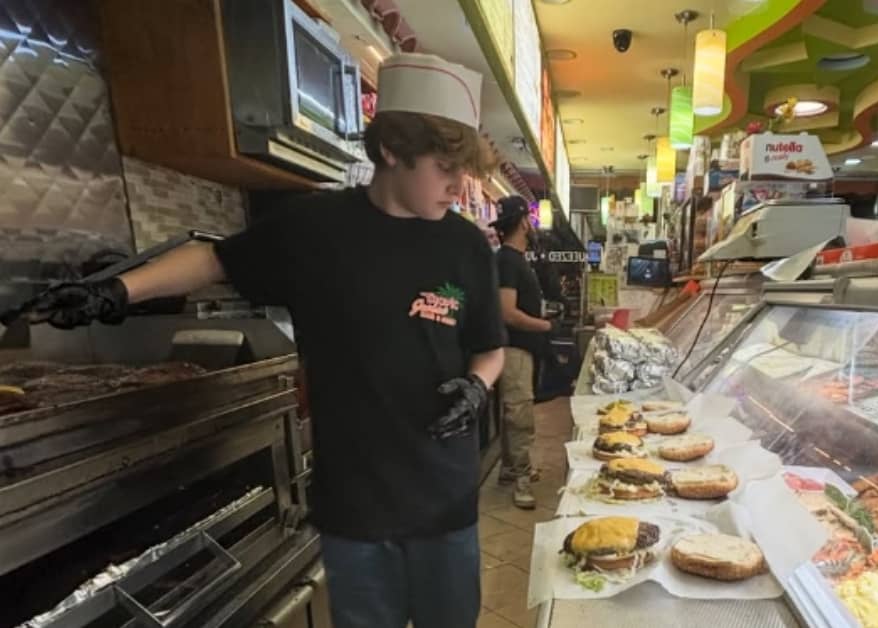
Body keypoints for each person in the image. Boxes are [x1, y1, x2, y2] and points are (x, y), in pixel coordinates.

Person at [11, 53, 504, 628]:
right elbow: (212, 259)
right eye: (445, 165)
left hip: (444, 496)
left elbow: (488, 347)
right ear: (392, 149)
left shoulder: (465, 246)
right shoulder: (316, 227)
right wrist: (116, 291)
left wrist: (475, 385)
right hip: (355, 504)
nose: (457, 185)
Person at [490, 197, 552, 509]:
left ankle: (509, 470)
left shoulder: (514, 259)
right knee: (520, 413)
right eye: (530, 219)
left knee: (514, 411)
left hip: (519, 348)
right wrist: (543, 326)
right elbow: (507, 312)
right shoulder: (508, 261)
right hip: (514, 348)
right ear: (523, 222)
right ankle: (522, 481)